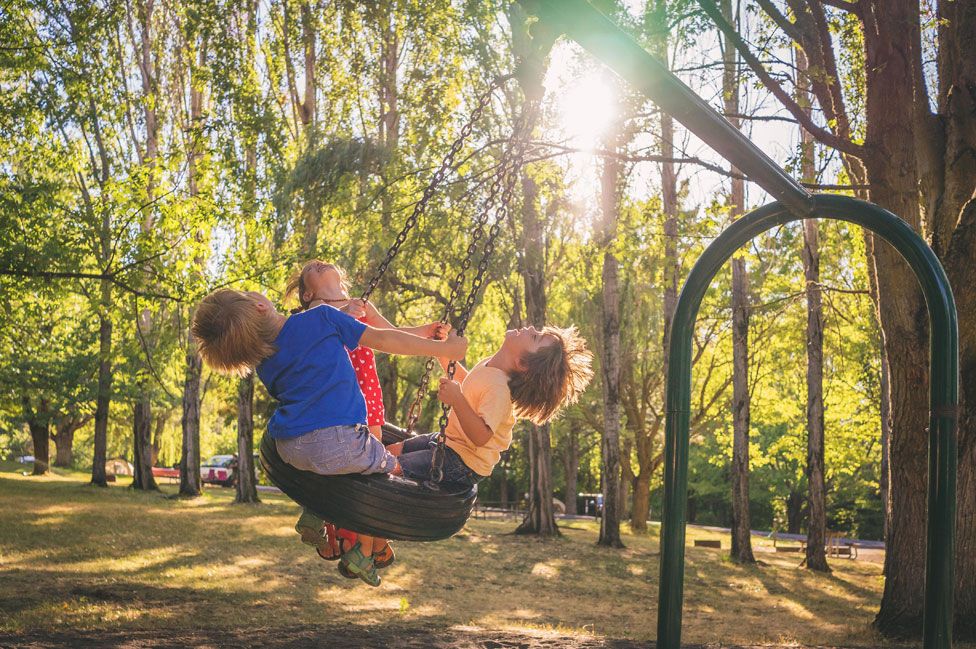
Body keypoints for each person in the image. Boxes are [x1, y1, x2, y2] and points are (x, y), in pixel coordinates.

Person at [190, 288, 466, 586]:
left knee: (332, 469)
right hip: (339, 439)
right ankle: (363, 552)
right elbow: (384, 340)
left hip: (289, 448)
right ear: (259, 306)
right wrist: (443, 350)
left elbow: (306, 347)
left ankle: (315, 512)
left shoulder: (265, 362)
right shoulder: (322, 317)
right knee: (393, 474)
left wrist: (342, 317)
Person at [284, 259, 449, 575]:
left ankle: (363, 547)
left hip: (368, 402)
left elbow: (389, 335)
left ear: (342, 283)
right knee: (330, 459)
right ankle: (319, 516)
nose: (319, 263)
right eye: (312, 269)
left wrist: (425, 335)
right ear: (306, 294)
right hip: (333, 402)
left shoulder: (360, 306)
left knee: (369, 474)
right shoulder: (310, 316)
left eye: (324, 264)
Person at [389, 325, 593, 491]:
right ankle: (376, 541)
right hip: (450, 442)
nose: (531, 328)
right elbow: (469, 382)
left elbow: (481, 436)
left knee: (390, 467)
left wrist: (457, 400)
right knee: (392, 451)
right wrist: (443, 351)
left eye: (534, 337)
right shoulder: (490, 366)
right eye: (537, 332)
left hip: (463, 462)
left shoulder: (499, 391)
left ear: (521, 362)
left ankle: (373, 537)